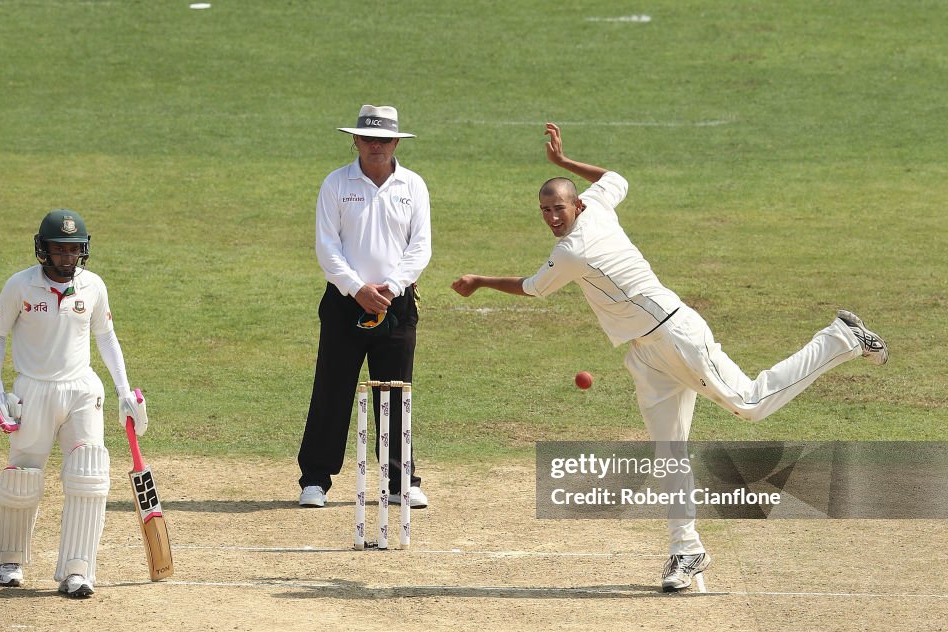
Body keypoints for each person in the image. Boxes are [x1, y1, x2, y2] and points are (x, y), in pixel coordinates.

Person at [451, 123, 888, 592]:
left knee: (752, 404)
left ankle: (841, 338)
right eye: (544, 211)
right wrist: (564, 164)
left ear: (575, 206)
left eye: (558, 208)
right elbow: (614, 177)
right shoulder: (595, 205)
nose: (552, 218)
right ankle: (687, 550)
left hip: (677, 337)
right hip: (646, 354)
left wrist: (479, 279)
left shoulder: (572, 251)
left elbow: (531, 288)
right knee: (669, 454)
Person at [0, 209, 148, 599]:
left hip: (81, 390)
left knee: (89, 475)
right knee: (22, 476)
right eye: (60, 250)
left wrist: (124, 390)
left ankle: (78, 570)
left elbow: (107, 338)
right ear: (43, 250)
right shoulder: (19, 286)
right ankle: (10, 560)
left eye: (75, 250)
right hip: (32, 390)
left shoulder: (92, 286)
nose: (67, 258)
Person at [296, 104, 432, 509]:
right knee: (332, 389)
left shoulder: (413, 185)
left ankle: (399, 480)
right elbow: (327, 246)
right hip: (343, 303)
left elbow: (420, 248)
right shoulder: (336, 184)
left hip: (396, 304)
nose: (376, 146)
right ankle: (315, 480)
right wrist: (357, 289)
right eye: (369, 138)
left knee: (395, 391)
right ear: (355, 139)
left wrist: (389, 288)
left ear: (395, 142)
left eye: (384, 139)